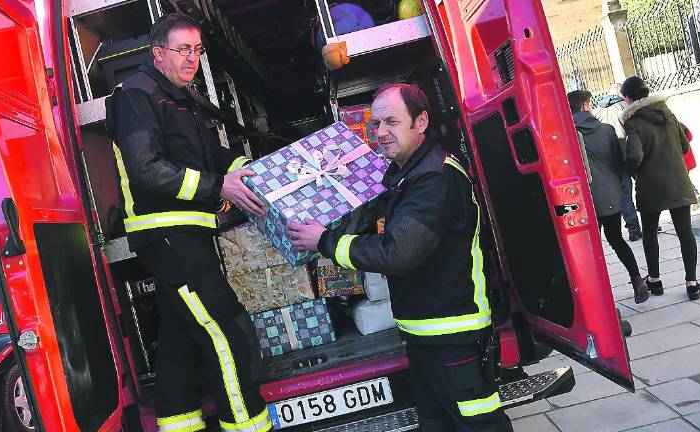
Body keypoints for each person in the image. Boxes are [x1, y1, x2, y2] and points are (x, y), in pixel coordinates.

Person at [287, 83, 513, 432]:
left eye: (391, 121)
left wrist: (325, 241)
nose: (380, 133)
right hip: (425, 336)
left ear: (420, 122)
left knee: (480, 426)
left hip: (453, 336)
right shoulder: (406, 174)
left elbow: (399, 252)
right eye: (376, 124)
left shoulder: (434, 178)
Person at [106, 13, 270, 432]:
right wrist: (220, 187)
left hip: (186, 235)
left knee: (179, 346)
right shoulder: (135, 96)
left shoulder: (182, 96)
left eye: (197, 50)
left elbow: (208, 154)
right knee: (225, 333)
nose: (192, 58)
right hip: (167, 237)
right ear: (158, 53)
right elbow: (146, 169)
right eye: (182, 50)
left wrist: (246, 171)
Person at [620, 76, 700, 301]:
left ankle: (655, 280)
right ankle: (692, 283)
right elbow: (684, 145)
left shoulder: (633, 122)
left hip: (651, 185)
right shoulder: (668, 114)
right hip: (678, 180)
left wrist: (629, 170)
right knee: (685, 231)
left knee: (649, 232)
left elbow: (635, 155)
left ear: (628, 98)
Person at [568, 90, 649, 304]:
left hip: (583, 201)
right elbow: (619, 162)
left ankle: (599, 296)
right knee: (616, 239)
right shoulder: (607, 130)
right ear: (585, 106)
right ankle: (637, 279)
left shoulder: (568, 133)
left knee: (589, 251)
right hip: (610, 196)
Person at [593, 84, 642, 241]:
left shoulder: (597, 112)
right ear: (621, 94)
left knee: (624, 195)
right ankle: (641, 224)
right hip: (629, 156)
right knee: (640, 189)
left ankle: (633, 227)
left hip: (608, 162)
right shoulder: (624, 107)